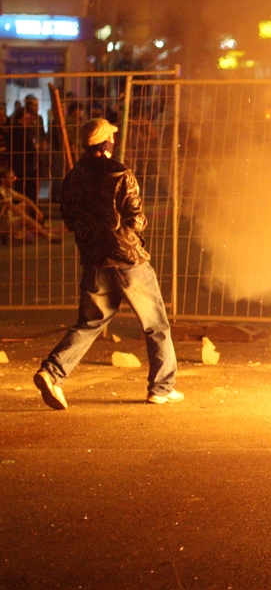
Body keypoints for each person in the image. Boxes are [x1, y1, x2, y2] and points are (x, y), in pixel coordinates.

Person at [33, 119, 183, 410]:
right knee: (156, 325)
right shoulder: (120, 173)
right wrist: (134, 236)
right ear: (105, 144)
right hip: (127, 260)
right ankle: (161, 388)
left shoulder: (73, 177)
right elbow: (136, 217)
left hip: (94, 259)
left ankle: (51, 372)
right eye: (111, 137)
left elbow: (69, 218)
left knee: (90, 323)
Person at [0, 163, 61, 243]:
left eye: (14, 177)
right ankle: (47, 236)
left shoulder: (7, 190)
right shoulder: (1, 193)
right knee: (23, 218)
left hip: (6, 218)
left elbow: (25, 199)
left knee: (24, 205)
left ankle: (19, 235)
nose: (13, 180)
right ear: (2, 180)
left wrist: (37, 211)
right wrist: (31, 221)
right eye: (11, 178)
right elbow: (15, 210)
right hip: (2, 222)